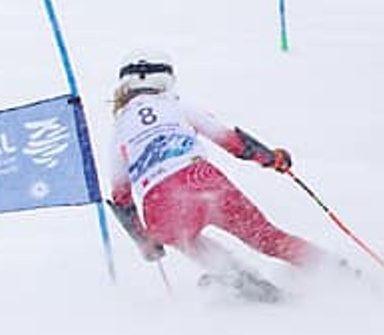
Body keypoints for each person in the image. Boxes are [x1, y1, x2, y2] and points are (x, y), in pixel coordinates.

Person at [105, 51, 348, 301]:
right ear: (166, 78)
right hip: (201, 178)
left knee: (187, 240)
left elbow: (121, 196)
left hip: (160, 203)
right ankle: (335, 271)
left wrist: (145, 241)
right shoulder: (176, 106)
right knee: (267, 238)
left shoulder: (119, 131)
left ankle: (240, 279)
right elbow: (233, 142)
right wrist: (272, 159)